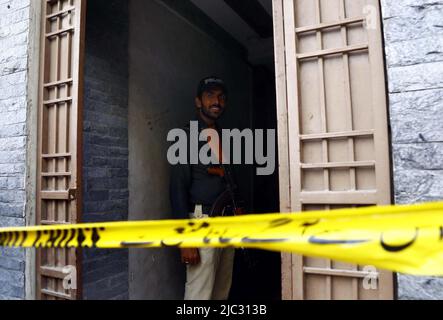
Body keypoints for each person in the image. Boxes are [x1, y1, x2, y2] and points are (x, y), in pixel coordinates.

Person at [169, 76, 242, 300]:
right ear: (198, 102)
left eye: (221, 97)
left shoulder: (224, 137)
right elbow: (177, 190)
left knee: (222, 290)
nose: (216, 101)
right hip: (201, 223)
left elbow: (228, 179)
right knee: (199, 294)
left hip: (226, 221)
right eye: (210, 95)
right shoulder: (186, 137)